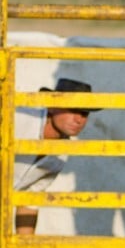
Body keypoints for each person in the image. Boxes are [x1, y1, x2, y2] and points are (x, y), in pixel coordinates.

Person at [13, 78, 96, 235]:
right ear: (51, 106)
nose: (79, 120)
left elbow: (29, 199)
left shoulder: (61, 155)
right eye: (73, 110)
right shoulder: (18, 118)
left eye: (84, 113)